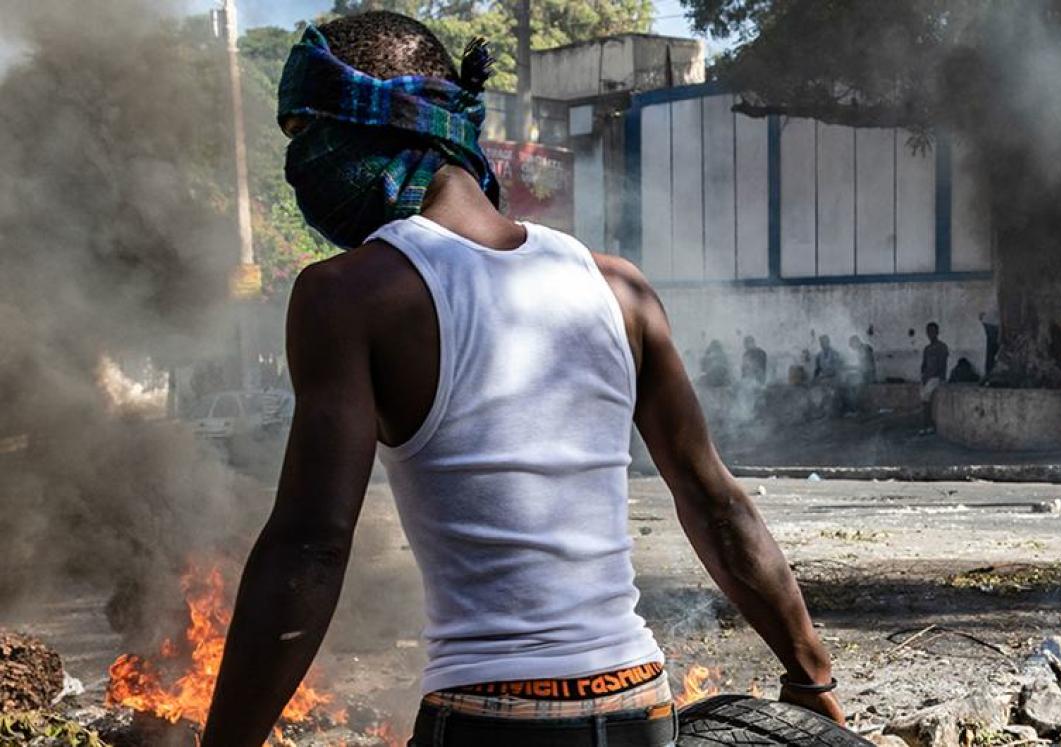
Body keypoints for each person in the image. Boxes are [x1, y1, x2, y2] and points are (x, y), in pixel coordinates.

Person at [201, 14, 840, 747]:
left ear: (367, 127)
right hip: (641, 703)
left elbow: (310, 544)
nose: (301, 167)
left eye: (304, 137)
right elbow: (715, 501)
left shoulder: (346, 295)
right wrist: (809, 676)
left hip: (488, 717)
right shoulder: (620, 290)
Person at [920, 322, 949, 404]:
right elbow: (924, 365)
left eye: (933, 331)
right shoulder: (927, 349)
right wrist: (924, 376)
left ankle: (927, 415)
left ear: (937, 332)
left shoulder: (942, 347)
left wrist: (930, 376)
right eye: (929, 331)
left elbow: (941, 365)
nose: (930, 334)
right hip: (928, 377)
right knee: (922, 394)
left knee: (926, 397)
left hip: (937, 377)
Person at [979, 311, 1000, 378]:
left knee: (990, 351)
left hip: (989, 322)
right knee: (991, 351)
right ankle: (989, 372)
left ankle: (989, 372)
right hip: (993, 324)